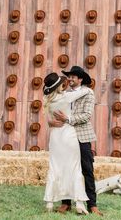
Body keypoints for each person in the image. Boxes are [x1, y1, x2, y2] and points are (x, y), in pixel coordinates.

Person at [52, 66, 103, 216]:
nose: (70, 79)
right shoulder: (64, 94)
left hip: (82, 137)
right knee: (65, 169)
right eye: (69, 77)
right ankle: (66, 203)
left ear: (80, 79)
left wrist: (67, 119)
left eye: (73, 77)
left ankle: (92, 205)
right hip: (66, 136)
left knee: (87, 170)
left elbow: (87, 115)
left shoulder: (88, 93)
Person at [43, 72, 91, 214]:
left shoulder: (47, 99)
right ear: (58, 86)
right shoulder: (66, 97)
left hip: (55, 137)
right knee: (75, 168)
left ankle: (50, 203)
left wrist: (49, 121)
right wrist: (82, 82)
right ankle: (80, 204)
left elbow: (48, 119)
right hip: (68, 135)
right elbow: (86, 90)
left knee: (54, 168)